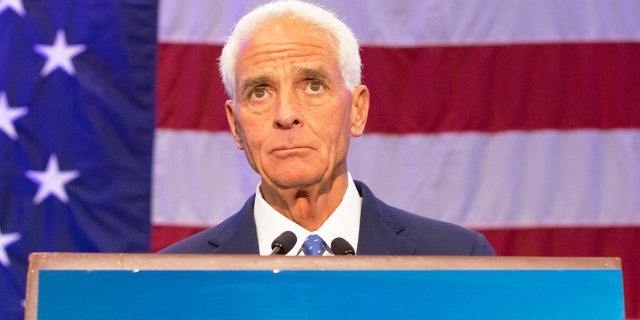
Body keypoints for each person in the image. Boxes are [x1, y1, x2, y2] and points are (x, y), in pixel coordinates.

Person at [161, 0, 495, 256]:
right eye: (260, 92)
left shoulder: (456, 258)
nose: (286, 114)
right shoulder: (175, 279)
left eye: (313, 85)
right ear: (236, 126)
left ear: (357, 110)